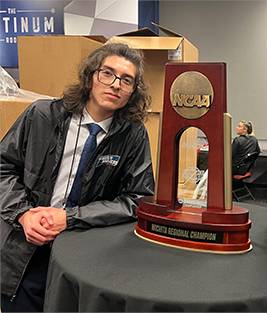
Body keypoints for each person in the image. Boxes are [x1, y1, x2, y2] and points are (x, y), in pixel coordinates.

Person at [0, 43, 155, 312]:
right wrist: (23, 214)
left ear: (133, 92)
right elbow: (3, 167)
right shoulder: (42, 115)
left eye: (126, 80)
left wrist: (70, 217)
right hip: (25, 245)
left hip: (83, 253)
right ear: (90, 76)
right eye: (107, 73)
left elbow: (138, 198)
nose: (116, 84)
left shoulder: (133, 136)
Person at [192, 120, 260, 200]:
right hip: (245, 169)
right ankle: (202, 193)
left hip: (235, 169)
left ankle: (200, 194)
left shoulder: (237, 140)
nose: (236, 128)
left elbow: (229, 155)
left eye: (239, 126)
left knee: (211, 169)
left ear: (245, 130)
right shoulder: (254, 139)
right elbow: (257, 152)